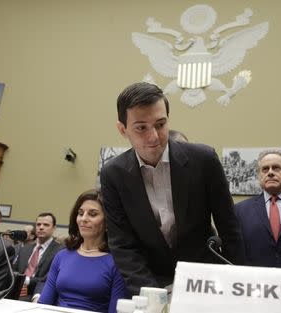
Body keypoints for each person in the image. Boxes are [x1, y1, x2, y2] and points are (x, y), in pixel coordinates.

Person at [100, 82, 244, 295]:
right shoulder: (113, 174)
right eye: (141, 127)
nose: (154, 137)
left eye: (160, 124)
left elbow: (229, 227)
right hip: (150, 280)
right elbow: (123, 245)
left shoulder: (203, 160)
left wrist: (236, 283)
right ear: (123, 129)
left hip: (204, 278)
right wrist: (152, 296)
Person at [38, 190, 127, 312]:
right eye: (80, 213)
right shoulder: (62, 256)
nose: (83, 219)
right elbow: (44, 304)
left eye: (93, 214)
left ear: (107, 222)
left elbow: (116, 310)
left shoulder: (117, 262)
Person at [13, 212, 63, 300]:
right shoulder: (25, 248)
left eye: (46, 225)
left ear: (54, 228)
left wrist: (24, 281)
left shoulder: (59, 251)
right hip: (16, 291)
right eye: (38, 224)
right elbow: (14, 270)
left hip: (39, 294)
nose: (41, 227)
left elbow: (49, 279)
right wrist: (18, 282)